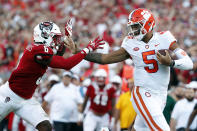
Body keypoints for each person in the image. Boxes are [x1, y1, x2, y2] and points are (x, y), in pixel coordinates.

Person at [68, 8, 194, 130]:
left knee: (140, 129)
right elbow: (105, 58)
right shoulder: (130, 42)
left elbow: (189, 63)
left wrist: (171, 62)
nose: (133, 30)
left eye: (136, 26)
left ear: (148, 24)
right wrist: (80, 52)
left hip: (161, 95)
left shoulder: (165, 37)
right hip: (143, 93)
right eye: (132, 26)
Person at [0, 20, 104, 131]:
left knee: (46, 127)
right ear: (44, 36)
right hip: (9, 95)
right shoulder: (39, 50)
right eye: (54, 38)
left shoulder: (41, 50)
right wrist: (87, 49)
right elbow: (66, 64)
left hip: (26, 100)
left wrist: (65, 41)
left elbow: (58, 57)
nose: (56, 41)